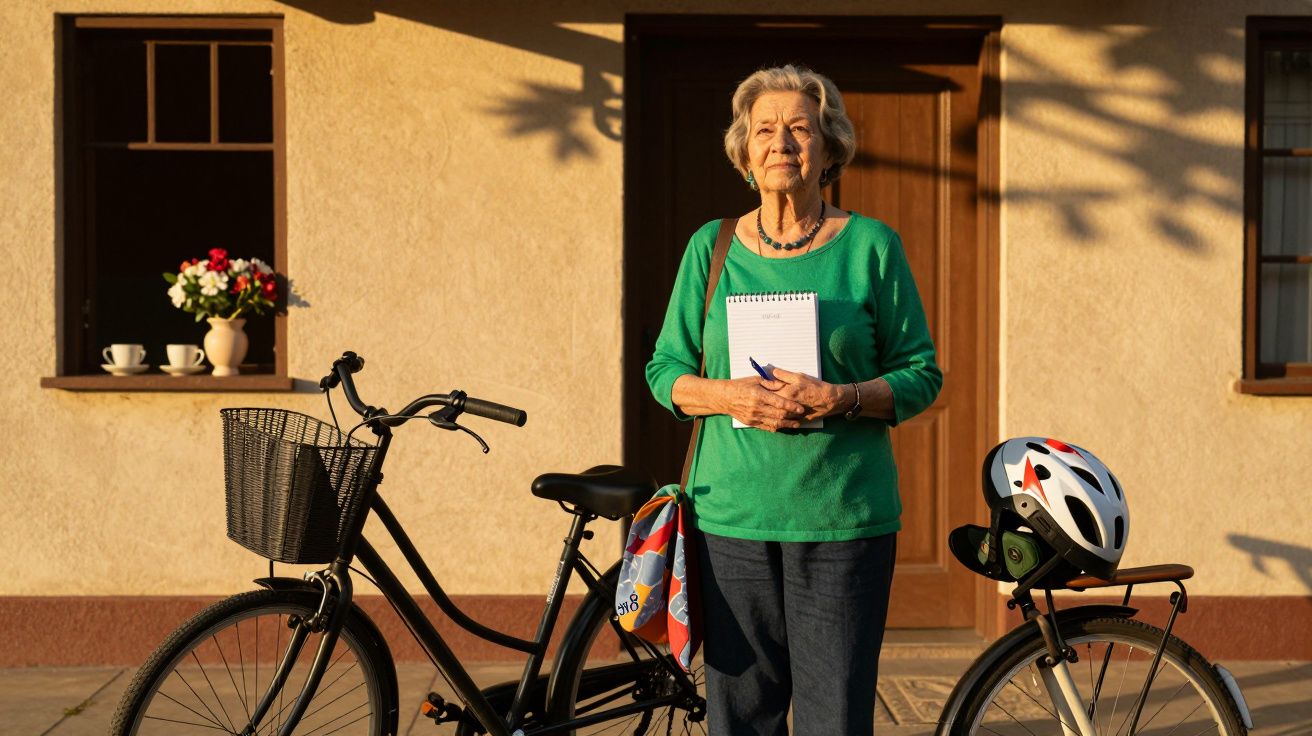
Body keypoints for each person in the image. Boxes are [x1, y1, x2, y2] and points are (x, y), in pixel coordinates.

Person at [644, 64, 943, 735]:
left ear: (829, 148)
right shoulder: (710, 247)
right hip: (732, 524)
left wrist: (842, 396)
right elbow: (665, 371)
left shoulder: (871, 246)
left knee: (834, 720)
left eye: (800, 129)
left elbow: (921, 373)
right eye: (765, 130)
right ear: (745, 153)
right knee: (740, 720)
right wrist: (731, 397)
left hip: (843, 524)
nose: (782, 141)